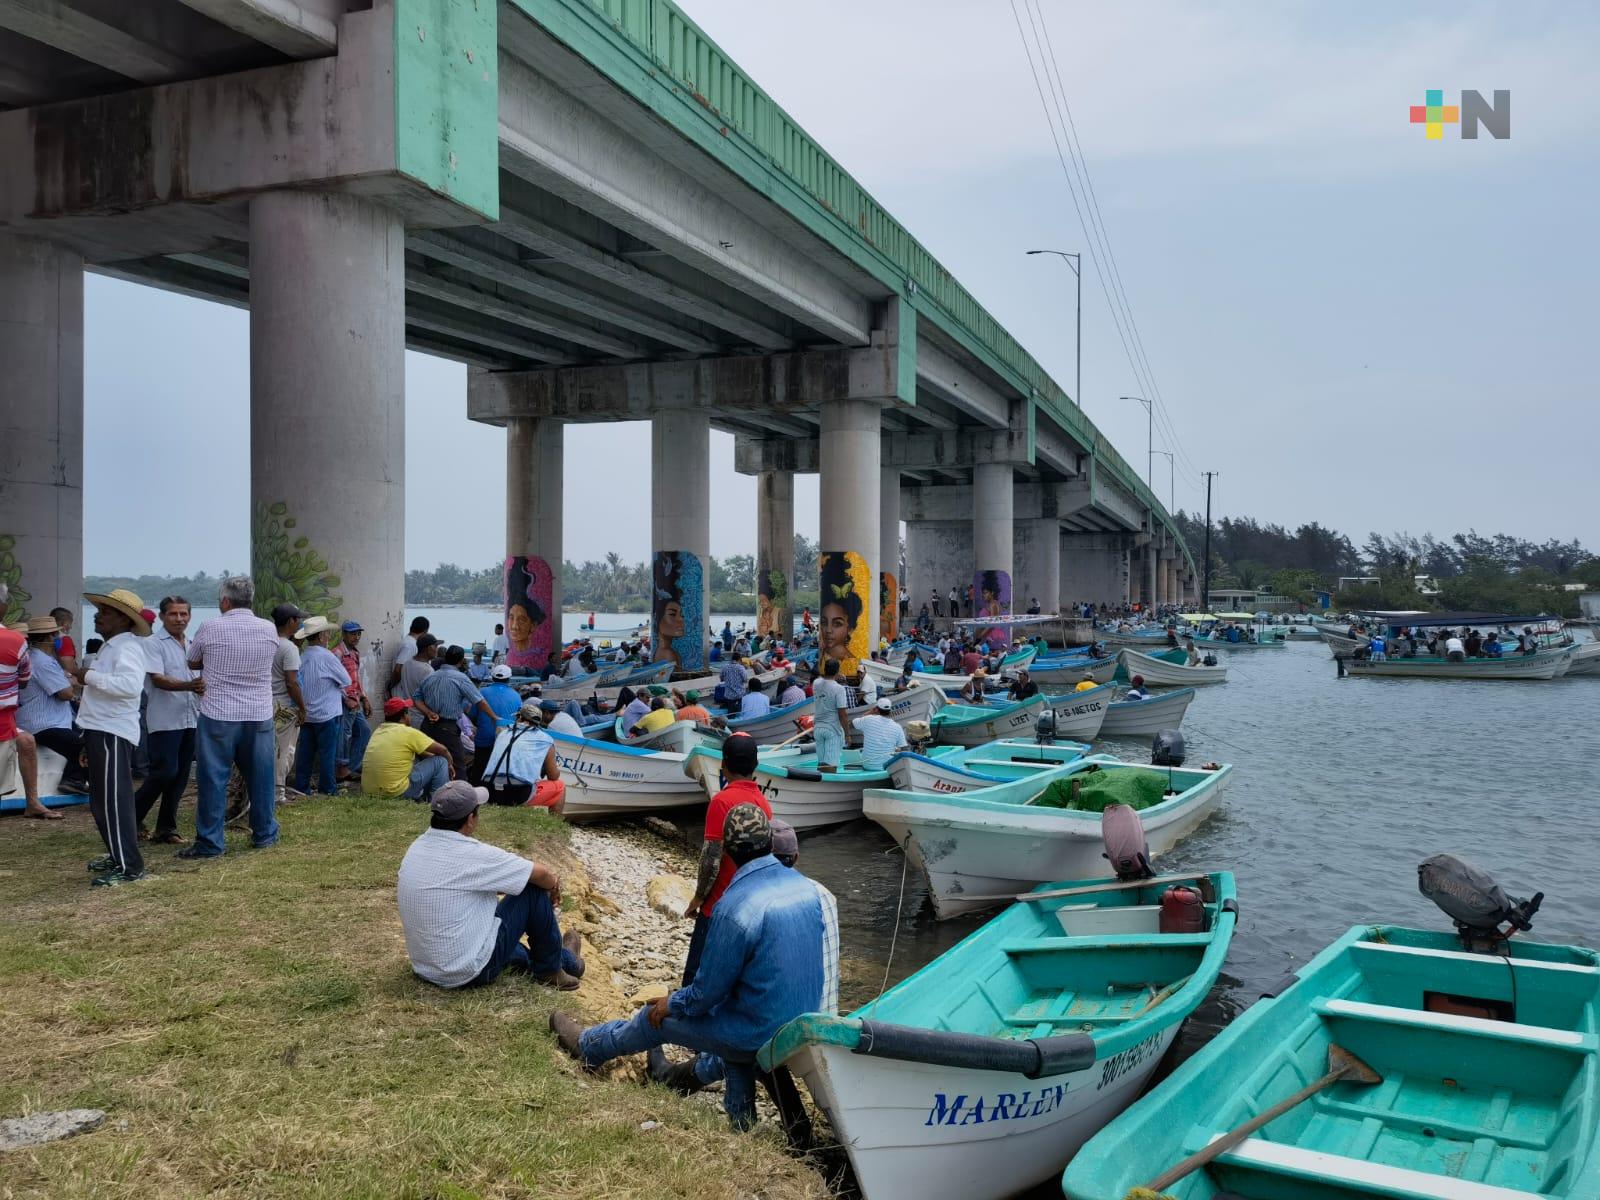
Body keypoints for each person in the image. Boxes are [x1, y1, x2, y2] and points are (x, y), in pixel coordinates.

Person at [550, 803, 825, 1130]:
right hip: (799, 1022)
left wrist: (671, 1003)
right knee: (737, 1047)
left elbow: (705, 994)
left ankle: (589, 1047)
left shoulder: (735, 907)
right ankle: (743, 1126)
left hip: (757, 1030)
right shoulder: (808, 889)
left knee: (653, 1020)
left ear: (726, 851)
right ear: (769, 844)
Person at [396, 780, 584, 991]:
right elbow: (542, 875)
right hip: (467, 971)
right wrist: (553, 887)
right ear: (470, 819)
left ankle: (565, 958)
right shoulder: (472, 853)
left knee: (521, 955)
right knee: (532, 889)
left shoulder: (418, 847)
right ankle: (554, 969)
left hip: (428, 966)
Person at [182, 575, 280, 860]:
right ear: (251, 599)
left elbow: (192, 660)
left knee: (213, 779)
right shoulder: (268, 629)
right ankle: (264, 834)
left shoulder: (210, 627)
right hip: (258, 713)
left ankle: (211, 843)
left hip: (219, 714)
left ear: (225, 601)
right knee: (262, 778)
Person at [72, 590, 153, 885]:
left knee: (113, 802)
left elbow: (130, 687)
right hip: (102, 730)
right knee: (103, 801)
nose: (98, 614)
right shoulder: (113, 646)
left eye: (105, 611)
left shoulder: (126, 648)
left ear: (123, 618)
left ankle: (129, 866)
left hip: (112, 731)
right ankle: (119, 855)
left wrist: (87, 676)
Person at [135, 597, 202, 841]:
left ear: (190, 616)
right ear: (162, 616)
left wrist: (199, 688)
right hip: (165, 720)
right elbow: (157, 679)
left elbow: (200, 678)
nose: (179, 619)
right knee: (164, 772)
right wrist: (190, 686)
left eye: (184, 614)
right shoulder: (152, 644)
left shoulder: (193, 644)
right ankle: (130, 816)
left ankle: (166, 827)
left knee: (181, 775)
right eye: (173, 614)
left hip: (190, 718)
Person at [17, 616, 90, 795]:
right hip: (46, 724)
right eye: (57, 634)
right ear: (50, 636)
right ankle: (74, 780)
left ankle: (75, 779)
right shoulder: (43, 662)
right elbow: (65, 694)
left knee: (83, 739)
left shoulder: (32, 657)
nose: (59, 638)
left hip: (37, 721)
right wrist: (70, 683)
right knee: (87, 748)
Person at [290, 616, 352, 797]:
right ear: (323, 635)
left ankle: (302, 787)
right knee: (327, 754)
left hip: (307, 713)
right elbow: (346, 680)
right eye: (327, 633)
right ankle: (328, 789)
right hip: (326, 713)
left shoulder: (302, 656)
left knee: (305, 754)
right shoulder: (327, 657)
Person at [417, 645, 497, 772]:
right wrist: (494, 717)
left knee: (429, 764)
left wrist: (428, 712)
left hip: (427, 726)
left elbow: (416, 698)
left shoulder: (431, 676)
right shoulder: (461, 678)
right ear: (461, 661)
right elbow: (479, 701)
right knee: (458, 766)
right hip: (447, 728)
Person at [365, 698, 455, 800]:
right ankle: (438, 800)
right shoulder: (407, 732)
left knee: (433, 761)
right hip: (394, 793)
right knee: (441, 761)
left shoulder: (378, 731)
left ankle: (424, 797)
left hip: (371, 793)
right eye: (409, 713)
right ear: (404, 716)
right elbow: (443, 750)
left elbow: (422, 753)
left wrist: (436, 759)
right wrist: (449, 764)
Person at [268, 603, 308, 804]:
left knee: (272, 750)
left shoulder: (268, 642)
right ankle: (278, 794)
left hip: (267, 704)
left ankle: (269, 791)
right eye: (298, 619)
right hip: (284, 706)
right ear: (291, 621)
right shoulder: (289, 648)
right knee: (284, 752)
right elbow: (291, 683)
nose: (299, 623)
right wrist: (302, 707)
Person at [470, 665, 522, 784]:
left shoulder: (482, 692)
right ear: (509, 679)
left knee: (479, 769)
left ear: (492, 677)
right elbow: (519, 719)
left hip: (484, 738)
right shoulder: (516, 696)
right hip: (505, 740)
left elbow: (472, 715)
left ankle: (476, 792)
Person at [334, 620, 371, 782]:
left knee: (364, 732)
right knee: (344, 735)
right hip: (345, 702)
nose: (356, 637)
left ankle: (349, 767)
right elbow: (333, 680)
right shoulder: (337, 653)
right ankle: (341, 768)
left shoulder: (355, 653)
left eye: (358, 633)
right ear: (344, 634)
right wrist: (345, 698)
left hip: (355, 701)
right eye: (352, 633)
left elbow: (356, 679)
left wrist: (364, 697)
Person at [811, 658, 851, 772]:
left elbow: (821, 677)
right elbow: (842, 714)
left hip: (818, 728)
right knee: (831, 765)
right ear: (838, 671)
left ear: (825, 669)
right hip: (832, 730)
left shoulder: (816, 683)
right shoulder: (839, 689)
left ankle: (820, 787)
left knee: (821, 763)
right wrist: (847, 734)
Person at [855, 696, 908, 770]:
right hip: (886, 767)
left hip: (868, 766)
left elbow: (855, 722)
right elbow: (904, 749)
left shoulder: (868, 719)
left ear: (877, 709)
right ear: (890, 710)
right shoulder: (897, 726)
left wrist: (871, 711)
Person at [393, 634, 439, 707]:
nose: (437, 649)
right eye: (436, 646)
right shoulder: (428, 670)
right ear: (429, 648)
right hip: (421, 715)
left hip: (408, 711)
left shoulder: (407, 663)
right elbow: (432, 699)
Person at [49, 606, 79, 675]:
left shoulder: (46, 637)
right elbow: (69, 668)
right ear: (64, 623)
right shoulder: (64, 639)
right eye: (70, 623)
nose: (71, 627)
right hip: (62, 680)